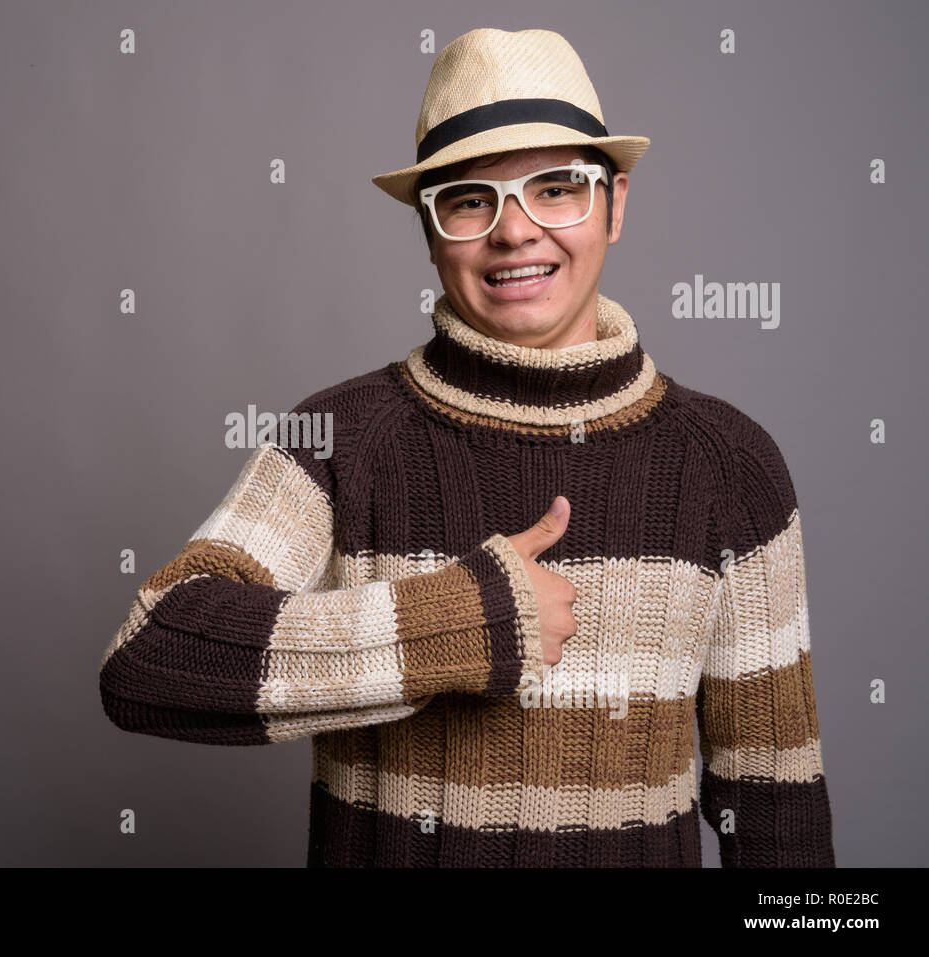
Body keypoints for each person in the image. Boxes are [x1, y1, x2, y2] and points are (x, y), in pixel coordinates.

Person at [98, 27, 836, 867]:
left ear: (616, 204)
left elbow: (779, 818)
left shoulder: (730, 465)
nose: (515, 232)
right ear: (430, 227)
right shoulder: (337, 439)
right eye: (470, 198)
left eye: (558, 189)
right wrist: (460, 623)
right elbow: (149, 657)